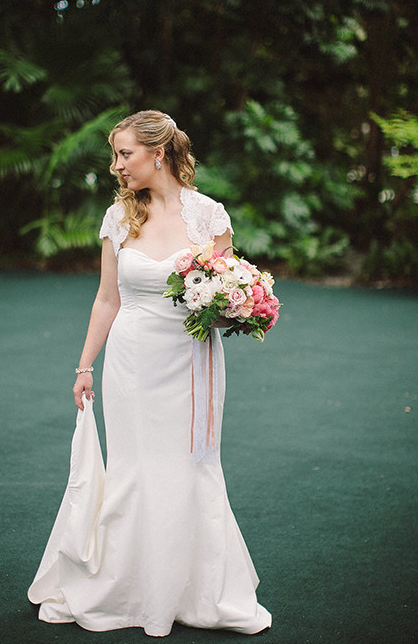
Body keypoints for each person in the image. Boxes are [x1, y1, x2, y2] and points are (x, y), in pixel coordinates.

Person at [28, 110, 271, 637]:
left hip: (192, 363)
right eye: (115, 155)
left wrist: (238, 303)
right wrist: (84, 365)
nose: (117, 166)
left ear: (158, 154)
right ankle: (127, 586)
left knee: (190, 464)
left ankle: (195, 588)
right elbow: (106, 298)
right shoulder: (119, 218)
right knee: (135, 466)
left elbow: (228, 291)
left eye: (125, 154)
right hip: (132, 362)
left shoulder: (210, 217)